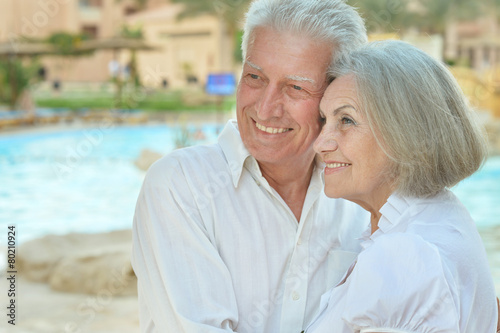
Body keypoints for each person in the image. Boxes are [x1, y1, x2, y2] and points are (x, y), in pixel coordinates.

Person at [131, 0, 369, 332]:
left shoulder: (361, 203)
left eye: (295, 87)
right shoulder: (180, 186)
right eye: (255, 77)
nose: (267, 107)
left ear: (338, 95)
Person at [308, 40, 498, 332]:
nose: (320, 143)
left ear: (404, 131)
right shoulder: (438, 215)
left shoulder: (403, 254)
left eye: (346, 120)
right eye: (324, 120)